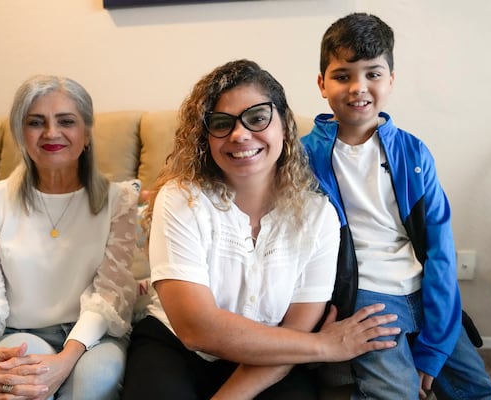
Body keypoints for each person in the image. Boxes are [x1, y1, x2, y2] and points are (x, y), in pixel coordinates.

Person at [122, 59, 400, 400]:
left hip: (273, 359)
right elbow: (196, 330)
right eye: (221, 123)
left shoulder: (319, 216)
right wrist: (322, 346)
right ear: (205, 138)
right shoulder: (180, 199)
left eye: (257, 118)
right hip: (175, 348)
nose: (240, 134)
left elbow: (294, 331)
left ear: (283, 124)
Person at [301, 13, 491, 400]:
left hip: (421, 286)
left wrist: (436, 346)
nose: (359, 87)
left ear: (391, 80)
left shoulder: (413, 152)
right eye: (343, 76)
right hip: (365, 294)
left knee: (478, 390)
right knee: (397, 392)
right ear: (322, 84)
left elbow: (440, 248)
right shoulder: (304, 156)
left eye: (373, 74)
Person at [0, 75, 139, 400]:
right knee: (20, 385)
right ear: (20, 134)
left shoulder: (118, 201)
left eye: (66, 121)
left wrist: (65, 360)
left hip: (94, 334)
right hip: (19, 332)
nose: (51, 133)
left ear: (87, 132)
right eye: (36, 122)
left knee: (96, 381)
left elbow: (109, 295)